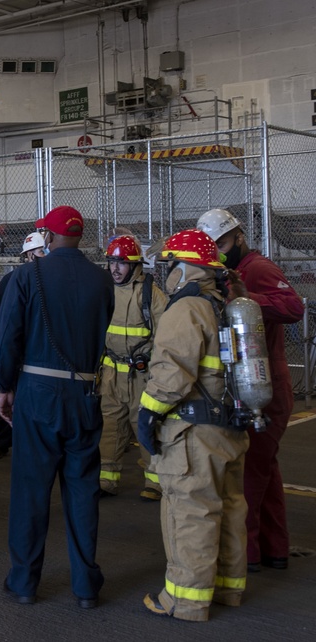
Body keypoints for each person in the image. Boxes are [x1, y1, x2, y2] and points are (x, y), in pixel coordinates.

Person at [0, 206, 113, 607]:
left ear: (46, 233)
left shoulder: (27, 276)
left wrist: (4, 385)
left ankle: (24, 582)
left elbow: (8, 336)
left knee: (31, 491)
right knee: (82, 491)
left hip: (38, 393)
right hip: (85, 395)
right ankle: (85, 587)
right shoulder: (102, 280)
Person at [139, 229, 249, 622]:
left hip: (194, 434)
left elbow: (172, 373)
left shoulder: (186, 308)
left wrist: (147, 413)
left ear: (184, 268)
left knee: (191, 513)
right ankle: (228, 590)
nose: (164, 272)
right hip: (230, 430)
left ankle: (185, 600)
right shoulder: (223, 302)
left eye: (169, 264)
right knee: (230, 507)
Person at [196, 208, 304, 571]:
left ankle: (248, 554)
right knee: (264, 471)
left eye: (223, 244)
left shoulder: (258, 268)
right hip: (252, 382)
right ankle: (274, 549)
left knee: (249, 474)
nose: (219, 252)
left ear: (239, 237)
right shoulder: (228, 272)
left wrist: (246, 300)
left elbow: (292, 307)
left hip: (265, 384)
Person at [97, 235, 167, 500]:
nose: (115, 268)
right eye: (111, 262)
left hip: (141, 374)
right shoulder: (104, 290)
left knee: (145, 425)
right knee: (111, 425)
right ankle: (107, 478)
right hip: (111, 372)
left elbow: (165, 336)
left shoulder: (151, 294)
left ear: (135, 265)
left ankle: (155, 482)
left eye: (122, 263)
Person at [0, 231, 45, 461]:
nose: (42, 256)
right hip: (21, 347)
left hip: (36, 347)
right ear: (29, 255)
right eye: (40, 252)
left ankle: (31, 444)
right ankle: (1, 442)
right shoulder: (16, 278)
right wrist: (7, 329)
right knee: (11, 396)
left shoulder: (45, 278)